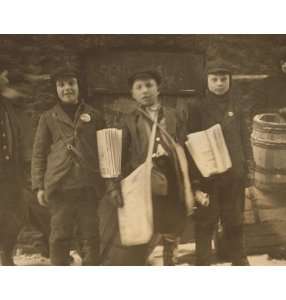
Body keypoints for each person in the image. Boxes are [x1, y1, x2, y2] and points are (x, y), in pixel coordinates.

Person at [104, 70, 188, 266]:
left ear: (158, 89)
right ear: (132, 94)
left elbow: (183, 146)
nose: (145, 91)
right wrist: (113, 186)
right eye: (139, 87)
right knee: (142, 227)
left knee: (172, 224)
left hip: (171, 177)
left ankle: (170, 260)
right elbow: (117, 157)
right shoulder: (127, 121)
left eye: (149, 85)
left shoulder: (174, 115)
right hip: (142, 181)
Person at [31, 67, 106, 266]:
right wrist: (39, 186)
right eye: (61, 85)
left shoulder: (95, 115)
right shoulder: (47, 118)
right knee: (59, 236)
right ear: (56, 89)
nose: (67, 89)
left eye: (71, 83)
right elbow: (38, 154)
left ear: (78, 86)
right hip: (60, 186)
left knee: (90, 234)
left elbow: (105, 150)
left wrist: (108, 181)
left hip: (88, 186)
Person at [187, 58, 251, 266]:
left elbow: (244, 138)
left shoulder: (237, 106)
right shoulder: (196, 107)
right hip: (209, 175)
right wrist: (196, 177)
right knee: (206, 220)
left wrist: (247, 168)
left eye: (224, 79)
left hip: (234, 174)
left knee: (234, 220)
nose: (219, 83)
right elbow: (191, 141)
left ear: (230, 81)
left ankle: (238, 260)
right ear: (207, 81)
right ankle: (203, 261)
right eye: (214, 79)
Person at [0, 70, 25, 265]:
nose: (6, 78)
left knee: (11, 212)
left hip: (9, 170)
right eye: (3, 75)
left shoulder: (8, 104)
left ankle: (6, 254)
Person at [252, 45, 286, 119]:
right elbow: (255, 111)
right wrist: (278, 111)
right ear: (283, 63)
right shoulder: (266, 84)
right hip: (274, 128)